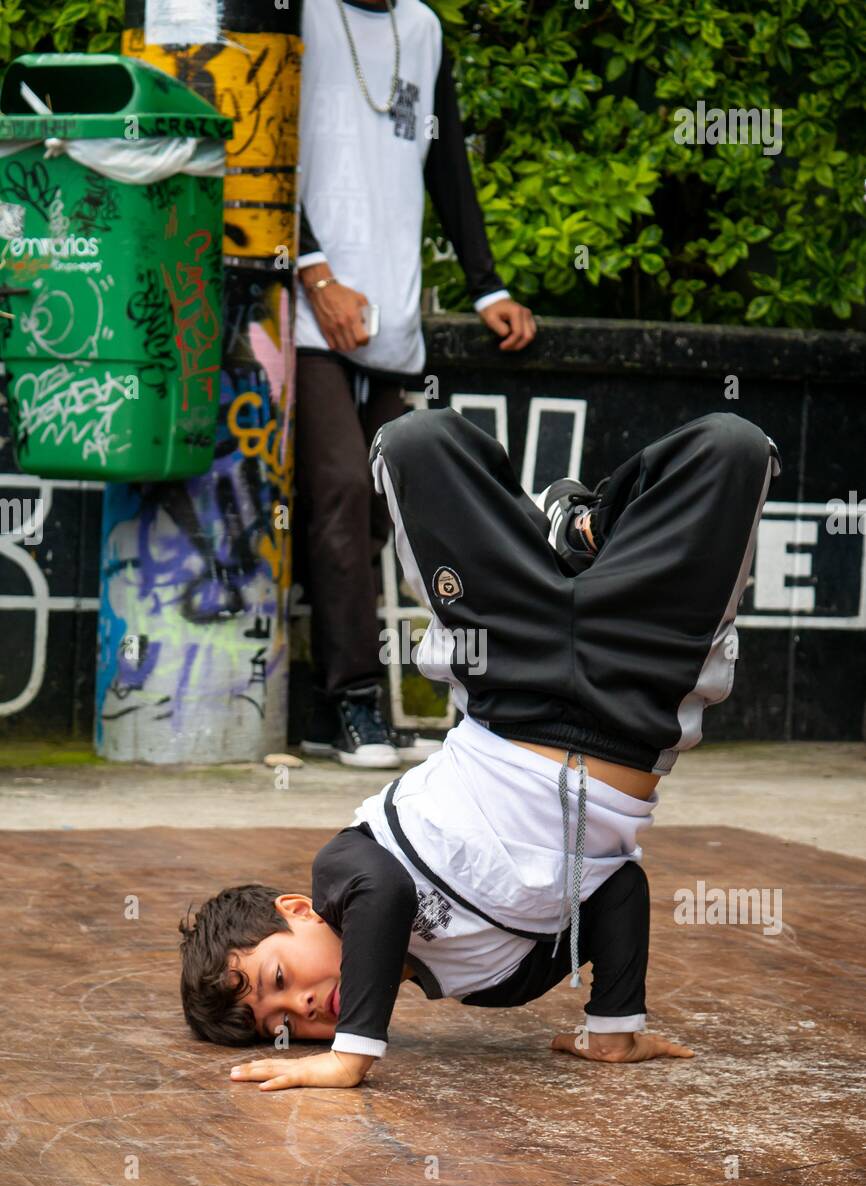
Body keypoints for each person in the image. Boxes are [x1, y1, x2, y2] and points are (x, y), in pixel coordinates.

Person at [179, 406, 783, 1090]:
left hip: (511, 680)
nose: (302, 1005)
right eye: (283, 1024)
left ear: (296, 910)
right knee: (734, 448)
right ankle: (588, 536)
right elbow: (617, 889)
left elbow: (386, 896)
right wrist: (616, 1028)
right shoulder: (497, 982)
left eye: (279, 979)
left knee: (414, 443)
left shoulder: (346, 870)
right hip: (633, 701)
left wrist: (353, 1052)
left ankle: (567, 534)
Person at [293, 0, 536, 768]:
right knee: (336, 488)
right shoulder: (298, 14)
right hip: (306, 310)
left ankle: (319, 700)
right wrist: (313, 271)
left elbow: (446, 164)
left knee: (379, 514)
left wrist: (487, 287)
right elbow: (259, 143)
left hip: (390, 315)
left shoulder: (424, 29)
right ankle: (355, 704)